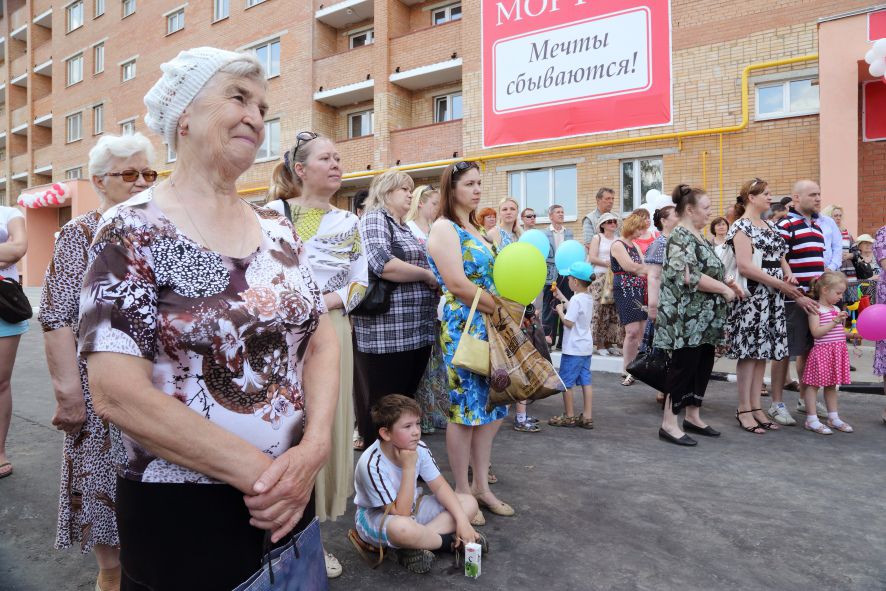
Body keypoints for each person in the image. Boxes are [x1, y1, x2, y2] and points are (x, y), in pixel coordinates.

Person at [80, 47, 338, 589]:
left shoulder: (278, 228)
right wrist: (269, 479)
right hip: (184, 514)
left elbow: (319, 341)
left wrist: (315, 449)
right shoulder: (131, 230)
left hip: (291, 499)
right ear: (185, 116)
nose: (256, 116)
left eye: (263, 107)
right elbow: (115, 392)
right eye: (238, 98)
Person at [40, 134, 155, 591]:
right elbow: (56, 317)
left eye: (149, 173)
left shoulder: (165, 227)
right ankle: (110, 573)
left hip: (158, 384)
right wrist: (69, 396)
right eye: (129, 174)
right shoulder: (79, 232)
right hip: (96, 385)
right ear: (98, 181)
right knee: (101, 476)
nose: (141, 182)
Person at [266, 132, 368, 579]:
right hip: (280, 334)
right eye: (325, 158)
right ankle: (275, 534)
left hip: (333, 330)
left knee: (323, 427)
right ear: (300, 170)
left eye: (338, 157)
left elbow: (361, 284)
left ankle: (313, 539)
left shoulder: (349, 223)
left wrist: (322, 302)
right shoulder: (272, 215)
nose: (336, 164)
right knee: (282, 427)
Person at [427, 161, 513, 526]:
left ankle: (482, 486)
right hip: (465, 327)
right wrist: (501, 309)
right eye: (469, 184)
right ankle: (461, 488)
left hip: (491, 324)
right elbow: (458, 285)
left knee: (491, 409)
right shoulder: (444, 228)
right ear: (452, 188)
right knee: (465, 410)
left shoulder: (477, 227)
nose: (477, 190)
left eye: (480, 183)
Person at [351, 395, 485, 574]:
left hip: (414, 507)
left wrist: (462, 521)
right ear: (386, 433)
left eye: (418, 424)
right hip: (379, 518)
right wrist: (408, 467)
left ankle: (414, 546)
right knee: (404, 529)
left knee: (469, 503)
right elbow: (401, 514)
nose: (416, 431)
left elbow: (439, 487)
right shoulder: (371, 463)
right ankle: (450, 543)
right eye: (407, 426)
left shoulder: (419, 447)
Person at [352, 170, 438, 449]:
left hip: (414, 331)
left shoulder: (403, 226)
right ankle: (377, 466)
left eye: (411, 189)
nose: (410, 194)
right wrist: (426, 276)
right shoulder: (375, 218)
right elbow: (382, 263)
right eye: (404, 188)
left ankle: (397, 463)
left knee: (401, 403)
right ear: (387, 191)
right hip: (385, 335)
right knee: (382, 405)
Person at [655, 184, 742, 446]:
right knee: (682, 367)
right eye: (705, 208)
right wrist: (723, 289)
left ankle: (693, 415)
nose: (709, 213)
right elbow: (687, 275)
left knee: (701, 365)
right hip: (686, 319)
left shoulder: (696, 235)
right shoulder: (681, 236)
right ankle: (669, 423)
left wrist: (728, 281)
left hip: (703, 319)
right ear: (690, 210)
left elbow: (708, 267)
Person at [725, 178, 805, 435]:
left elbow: (782, 257)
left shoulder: (770, 225)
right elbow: (746, 266)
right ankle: (743, 409)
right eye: (766, 194)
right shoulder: (741, 226)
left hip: (772, 297)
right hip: (752, 296)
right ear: (751, 196)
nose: (770, 198)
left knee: (762, 352)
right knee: (749, 354)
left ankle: (756, 407)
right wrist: (781, 284)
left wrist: (788, 275)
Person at [768, 180, 825, 427]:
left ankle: (804, 398)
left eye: (819, 194)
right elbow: (775, 260)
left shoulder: (817, 227)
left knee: (808, 350)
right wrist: (796, 293)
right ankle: (776, 404)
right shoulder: (786, 224)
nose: (818, 198)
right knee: (784, 352)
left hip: (813, 301)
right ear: (796, 197)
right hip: (791, 300)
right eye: (812, 195)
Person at [404, 185, 448, 434]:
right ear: (420, 203)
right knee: (420, 364)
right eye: (433, 204)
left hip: (435, 302)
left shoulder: (434, 229)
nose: (436, 209)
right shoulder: (409, 229)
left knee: (435, 361)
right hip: (417, 300)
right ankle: (421, 415)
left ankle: (434, 412)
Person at [801, 271, 853, 435]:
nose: (840, 296)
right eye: (838, 293)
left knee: (832, 385)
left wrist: (851, 334)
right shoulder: (815, 308)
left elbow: (837, 332)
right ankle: (811, 419)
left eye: (842, 293)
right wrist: (835, 320)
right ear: (824, 290)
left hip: (836, 351)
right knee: (813, 386)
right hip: (822, 353)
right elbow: (816, 332)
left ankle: (833, 417)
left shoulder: (836, 308)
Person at [548, 261, 595, 429]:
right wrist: (561, 297)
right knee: (586, 381)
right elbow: (576, 309)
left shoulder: (576, 299)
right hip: (585, 348)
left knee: (566, 383)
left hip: (573, 348)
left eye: (569, 279)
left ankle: (569, 416)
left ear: (575, 282)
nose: (567, 281)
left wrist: (560, 311)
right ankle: (588, 416)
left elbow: (568, 322)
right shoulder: (587, 298)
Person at [0, 199, 27, 482]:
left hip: (3, 304)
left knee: (0, 382)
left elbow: (18, 248)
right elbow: (9, 251)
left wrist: (12, 251)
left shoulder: (9, 214)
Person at [644, 205, 678, 404]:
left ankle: (669, 388)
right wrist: (653, 306)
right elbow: (654, 276)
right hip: (665, 302)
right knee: (663, 349)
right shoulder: (660, 243)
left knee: (671, 348)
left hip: (675, 301)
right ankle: (663, 389)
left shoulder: (676, 240)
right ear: (664, 221)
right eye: (675, 214)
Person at [610, 211, 649, 385]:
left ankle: (635, 369)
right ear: (632, 227)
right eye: (639, 229)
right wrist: (651, 271)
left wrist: (645, 270)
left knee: (641, 330)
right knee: (632, 331)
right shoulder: (618, 244)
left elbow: (641, 266)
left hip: (638, 288)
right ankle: (626, 369)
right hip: (625, 289)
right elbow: (630, 266)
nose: (641, 233)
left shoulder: (635, 245)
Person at [587, 212, 623, 356]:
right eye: (609, 222)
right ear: (602, 225)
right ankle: (599, 343)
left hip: (614, 276)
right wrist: (606, 262)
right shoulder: (598, 238)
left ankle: (609, 342)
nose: (612, 224)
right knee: (599, 310)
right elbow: (592, 257)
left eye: (614, 221)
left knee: (613, 310)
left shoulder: (618, 239)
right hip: (600, 276)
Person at [542, 204, 574, 349]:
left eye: (562, 212)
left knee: (566, 305)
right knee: (549, 307)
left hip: (566, 275)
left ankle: (563, 341)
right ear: (550, 216)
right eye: (558, 212)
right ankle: (549, 340)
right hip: (550, 275)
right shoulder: (544, 234)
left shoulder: (569, 233)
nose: (561, 214)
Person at [823, 205, 858, 300]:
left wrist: (850, 255)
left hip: (848, 270)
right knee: (833, 298)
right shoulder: (823, 232)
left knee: (850, 300)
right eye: (835, 216)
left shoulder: (846, 233)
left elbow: (857, 252)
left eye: (840, 215)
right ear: (828, 217)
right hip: (831, 271)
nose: (838, 218)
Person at [817, 204, 843, 272]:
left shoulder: (829, 223)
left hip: (830, 269)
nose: (838, 218)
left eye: (840, 216)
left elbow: (837, 247)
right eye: (836, 215)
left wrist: (831, 267)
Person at [853, 233, 878, 301]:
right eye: (864, 243)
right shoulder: (856, 260)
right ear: (859, 246)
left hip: (880, 289)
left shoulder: (878, 257)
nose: (868, 245)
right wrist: (870, 279)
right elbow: (853, 280)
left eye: (870, 243)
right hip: (863, 293)